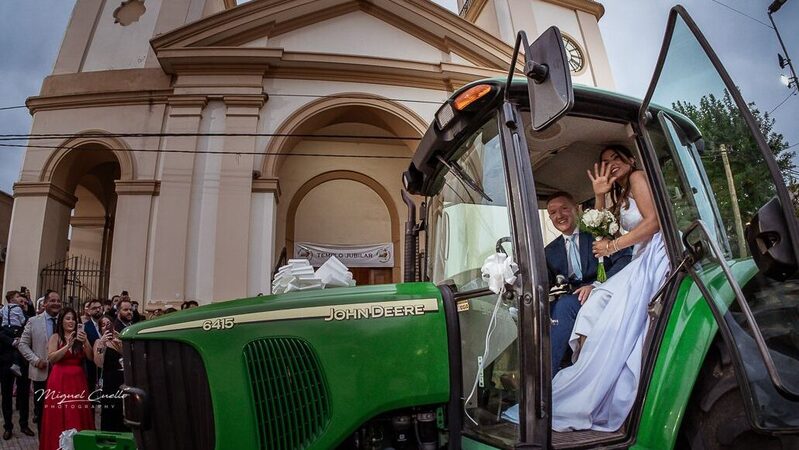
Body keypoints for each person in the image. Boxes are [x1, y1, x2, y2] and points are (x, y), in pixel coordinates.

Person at [551, 145, 669, 432]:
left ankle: (595, 381)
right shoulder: (618, 193)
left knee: (606, 313)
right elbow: (601, 228)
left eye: (616, 158)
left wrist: (613, 246)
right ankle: (589, 379)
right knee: (594, 310)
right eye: (605, 161)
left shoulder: (639, 177)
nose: (612, 164)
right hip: (639, 256)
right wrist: (601, 194)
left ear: (630, 160)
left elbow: (653, 223)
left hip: (655, 254)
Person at [544, 192, 631, 376]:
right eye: (553, 212)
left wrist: (597, 286)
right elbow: (542, 282)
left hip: (607, 290)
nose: (559, 216)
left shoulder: (596, 233)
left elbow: (624, 258)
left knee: (564, 306)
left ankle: (547, 378)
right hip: (578, 297)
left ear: (577, 209)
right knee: (543, 311)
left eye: (564, 208)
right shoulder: (550, 251)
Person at [39, 307, 94, 450]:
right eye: (68, 318)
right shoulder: (56, 337)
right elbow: (52, 358)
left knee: (76, 413)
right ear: (61, 321)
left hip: (77, 381)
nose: (71, 322)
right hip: (59, 380)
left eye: (73, 319)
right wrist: (67, 346)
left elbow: (90, 357)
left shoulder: (81, 336)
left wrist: (86, 341)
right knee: (58, 414)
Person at [18, 291, 62, 430]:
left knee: (59, 410)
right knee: (42, 410)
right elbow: (22, 344)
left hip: (61, 374)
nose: (56, 303)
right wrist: (36, 360)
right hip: (41, 374)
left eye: (58, 301)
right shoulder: (33, 321)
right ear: (45, 303)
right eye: (53, 300)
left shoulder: (65, 320)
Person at [0, 291, 36, 440]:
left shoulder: (28, 320)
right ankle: (8, 426)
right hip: (5, 360)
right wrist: (12, 342)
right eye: (20, 302)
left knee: (23, 395)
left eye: (24, 303)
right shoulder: (3, 316)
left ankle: (24, 424)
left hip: (23, 361)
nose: (22, 305)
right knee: (6, 395)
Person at [97, 298, 132, 431]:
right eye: (103, 324)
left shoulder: (121, 335)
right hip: (109, 381)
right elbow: (99, 362)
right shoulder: (99, 341)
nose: (106, 326)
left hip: (124, 379)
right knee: (110, 415)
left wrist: (120, 344)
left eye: (108, 323)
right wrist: (102, 343)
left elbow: (127, 357)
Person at [82, 300, 102, 392]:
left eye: (99, 307)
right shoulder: (85, 327)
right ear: (89, 311)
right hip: (91, 367)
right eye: (94, 308)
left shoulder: (107, 324)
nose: (98, 310)